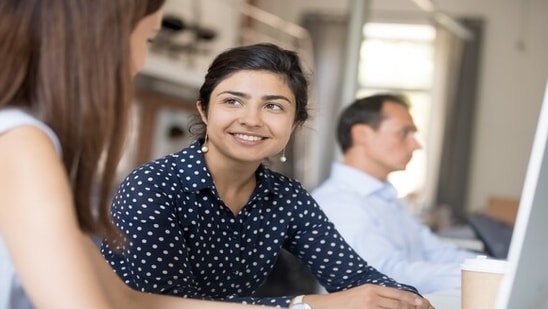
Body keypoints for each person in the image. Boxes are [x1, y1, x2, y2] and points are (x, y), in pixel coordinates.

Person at [101, 43, 434, 309]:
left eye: (273, 106)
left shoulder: (286, 197)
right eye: (233, 101)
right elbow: (163, 305)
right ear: (204, 110)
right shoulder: (153, 187)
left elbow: (353, 276)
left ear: (295, 123)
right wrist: (308, 304)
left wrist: (409, 301)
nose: (251, 120)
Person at [0, 1, 268, 309]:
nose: (141, 61)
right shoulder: (22, 144)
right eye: (148, 40)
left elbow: (124, 298)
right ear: (100, 41)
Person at [312, 94, 477, 294]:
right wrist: (483, 276)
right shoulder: (337, 203)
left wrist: (497, 268)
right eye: (404, 132)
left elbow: (436, 251)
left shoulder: (385, 197)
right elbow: (385, 273)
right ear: (361, 134)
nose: (416, 145)